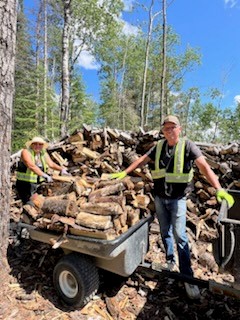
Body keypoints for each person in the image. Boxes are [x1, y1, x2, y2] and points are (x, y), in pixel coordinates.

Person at [110, 115, 234, 299]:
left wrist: (218, 188)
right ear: (163, 131)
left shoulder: (188, 146)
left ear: (179, 129)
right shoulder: (158, 147)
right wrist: (124, 173)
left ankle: (188, 278)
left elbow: (205, 167)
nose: (169, 131)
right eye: (166, 128)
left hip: (178, 200)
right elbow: (142, 160)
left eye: (172, 128)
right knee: (164, 231)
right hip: (160, 198)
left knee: (180, 235)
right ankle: (170, 260)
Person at [16, 136, 70, 204]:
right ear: (31, 144)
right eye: (35, 144)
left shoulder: (43, 153)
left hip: (38, 183)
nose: (37, 146)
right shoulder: (25, 152)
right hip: (25, 184)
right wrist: (44, 175)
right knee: (30, 204)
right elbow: (31, 166)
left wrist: (61, 169)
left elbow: (51, 164)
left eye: (40, 144)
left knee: (40, 203)